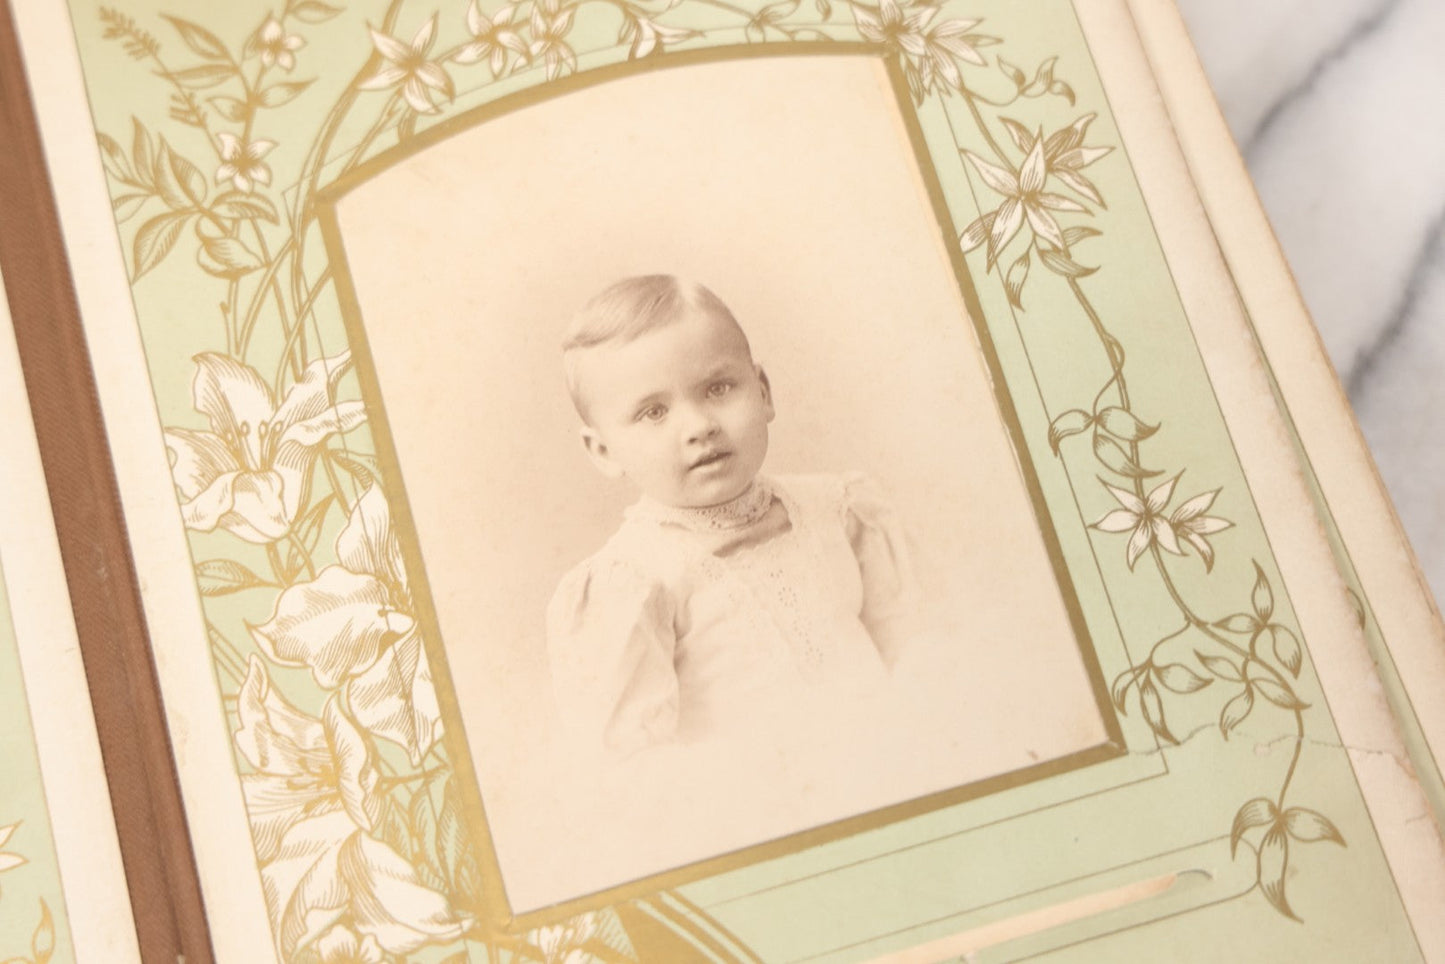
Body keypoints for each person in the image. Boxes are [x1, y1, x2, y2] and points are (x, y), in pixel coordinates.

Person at [547, 274, 918, 755]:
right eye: (653, 412)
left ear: (763, 392)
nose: (700, 426)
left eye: (718, 388)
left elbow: (916, 650)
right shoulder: (631, 582)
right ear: (603, 451)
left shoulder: (842, 511)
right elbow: (635, 762)